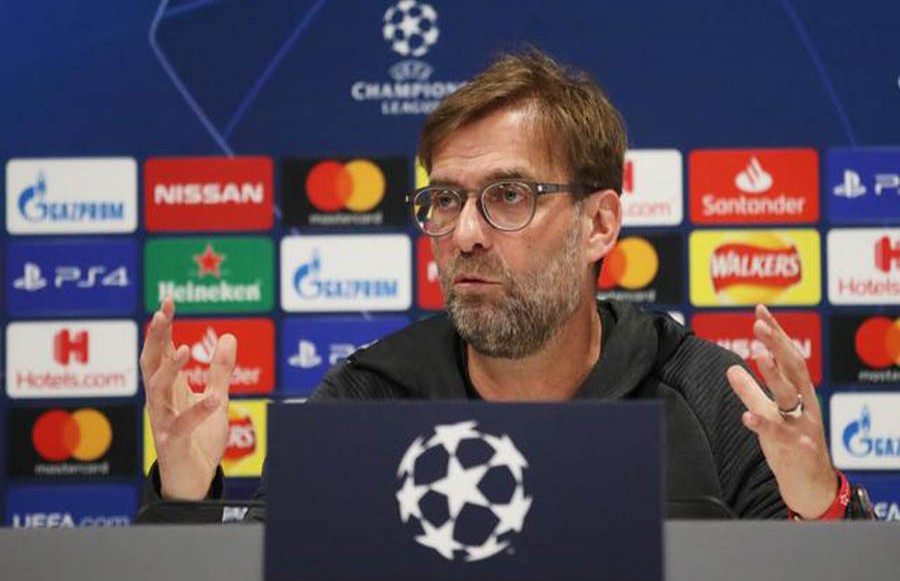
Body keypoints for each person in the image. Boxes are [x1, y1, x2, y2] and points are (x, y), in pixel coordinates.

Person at [140, 49, 872, 520]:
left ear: (600, 224)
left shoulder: (711, 397)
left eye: (510, 195)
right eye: (447, 199)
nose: (465, 234)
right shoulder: (368, 399)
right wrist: (183, 492)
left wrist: (823, 509)